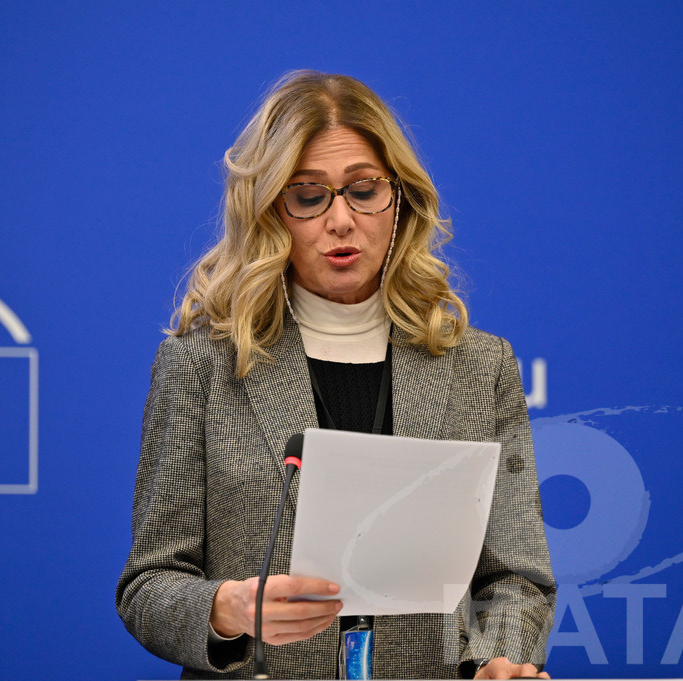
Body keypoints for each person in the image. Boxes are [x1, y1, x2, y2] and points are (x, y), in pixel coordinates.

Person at [116, 70, 555, 679]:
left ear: (399, 199)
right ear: (272, 210)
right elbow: (149, 585)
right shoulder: (201, 366)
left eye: (364, 189)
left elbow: (516, 576)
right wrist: (226, 609)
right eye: (309, 195)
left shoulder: (479, 366)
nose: (341, 220)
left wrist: (499, 659)